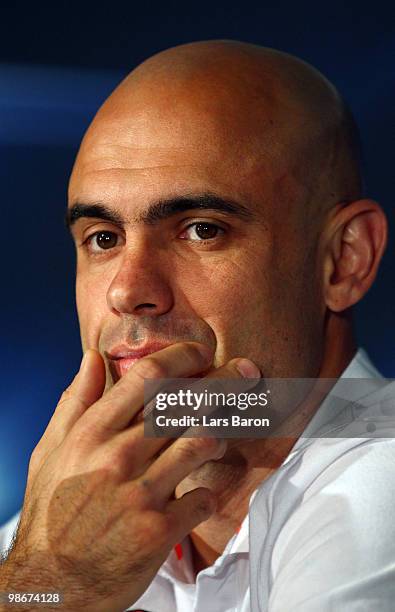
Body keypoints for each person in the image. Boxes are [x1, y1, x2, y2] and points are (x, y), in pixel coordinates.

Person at [0, 39, 394, 611]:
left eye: (202, 229)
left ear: (344, 259)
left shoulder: (380, 481)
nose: (129, 291)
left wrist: (56, 590)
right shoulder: (69, 526)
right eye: (103, 239)